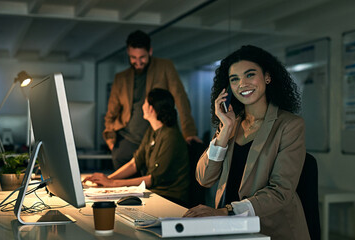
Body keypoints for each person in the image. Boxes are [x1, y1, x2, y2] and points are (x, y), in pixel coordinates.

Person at [183, 45, 310, 239]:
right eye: (234, 79)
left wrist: (226, 211)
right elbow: (204, 178)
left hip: (269, 229)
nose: (242, 84)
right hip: (229, 228)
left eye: (250, 75)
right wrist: (225, 130)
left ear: (267, 77)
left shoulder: (290, 125)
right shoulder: (230, 123)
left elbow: (280, 192)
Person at [104, 30, 200, 169]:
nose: (137, 62)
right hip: (127, 140)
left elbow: (181, 99)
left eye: (142, 57)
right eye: (133, 57)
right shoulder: (121, 78)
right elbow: (111, 113)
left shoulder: (165, 67)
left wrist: (189, 132)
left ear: (150, 51)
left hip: (157, 138)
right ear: (128, 53)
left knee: (153, 185)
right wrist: (111, 141)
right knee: (121, 188)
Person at [85, 88, 190, 206]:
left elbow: (152, 179)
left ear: (151, 108)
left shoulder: (171, 137)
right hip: (156, 193)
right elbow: (134, 163)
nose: (142, 106)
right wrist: (107, 179)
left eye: (145, 103)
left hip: (170, 198)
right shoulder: (152, 130)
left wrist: (112, 183)